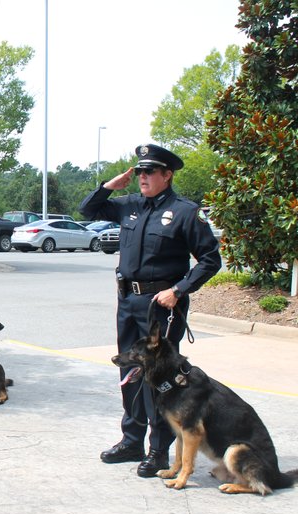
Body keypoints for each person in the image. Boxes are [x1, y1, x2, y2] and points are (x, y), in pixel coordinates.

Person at [79, 143, 221, 478]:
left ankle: (158, 450)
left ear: (167, 175)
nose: (142, 177)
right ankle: (132, 440)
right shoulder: (130, 205)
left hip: (161, 306)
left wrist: (179, 290)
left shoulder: (185, 212)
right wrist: (109, 186)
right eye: (139, 171)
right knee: (129, 371)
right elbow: (88, 209)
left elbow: (210, 260)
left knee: (160, 379)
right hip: (128, 302)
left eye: (150, 171)